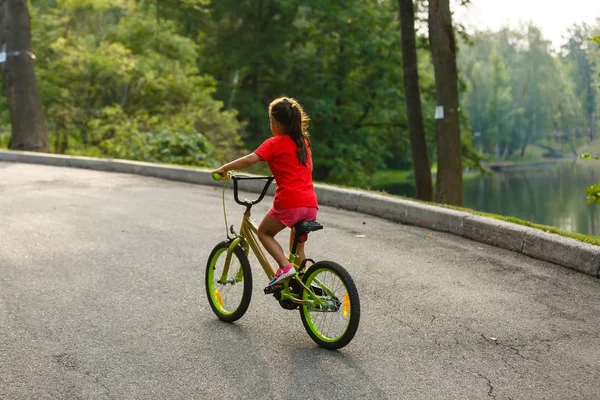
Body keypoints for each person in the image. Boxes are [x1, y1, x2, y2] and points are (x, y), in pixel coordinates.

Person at [211, 97, 318, 285]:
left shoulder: (274, 143)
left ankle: (285, 267)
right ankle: (301, 285)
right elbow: (305, 170)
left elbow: (251, 159)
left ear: (275, 123)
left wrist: (225, 168)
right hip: (309, 204)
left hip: (289, 203)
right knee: (298, 247)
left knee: (264, 233)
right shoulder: (303, 143)